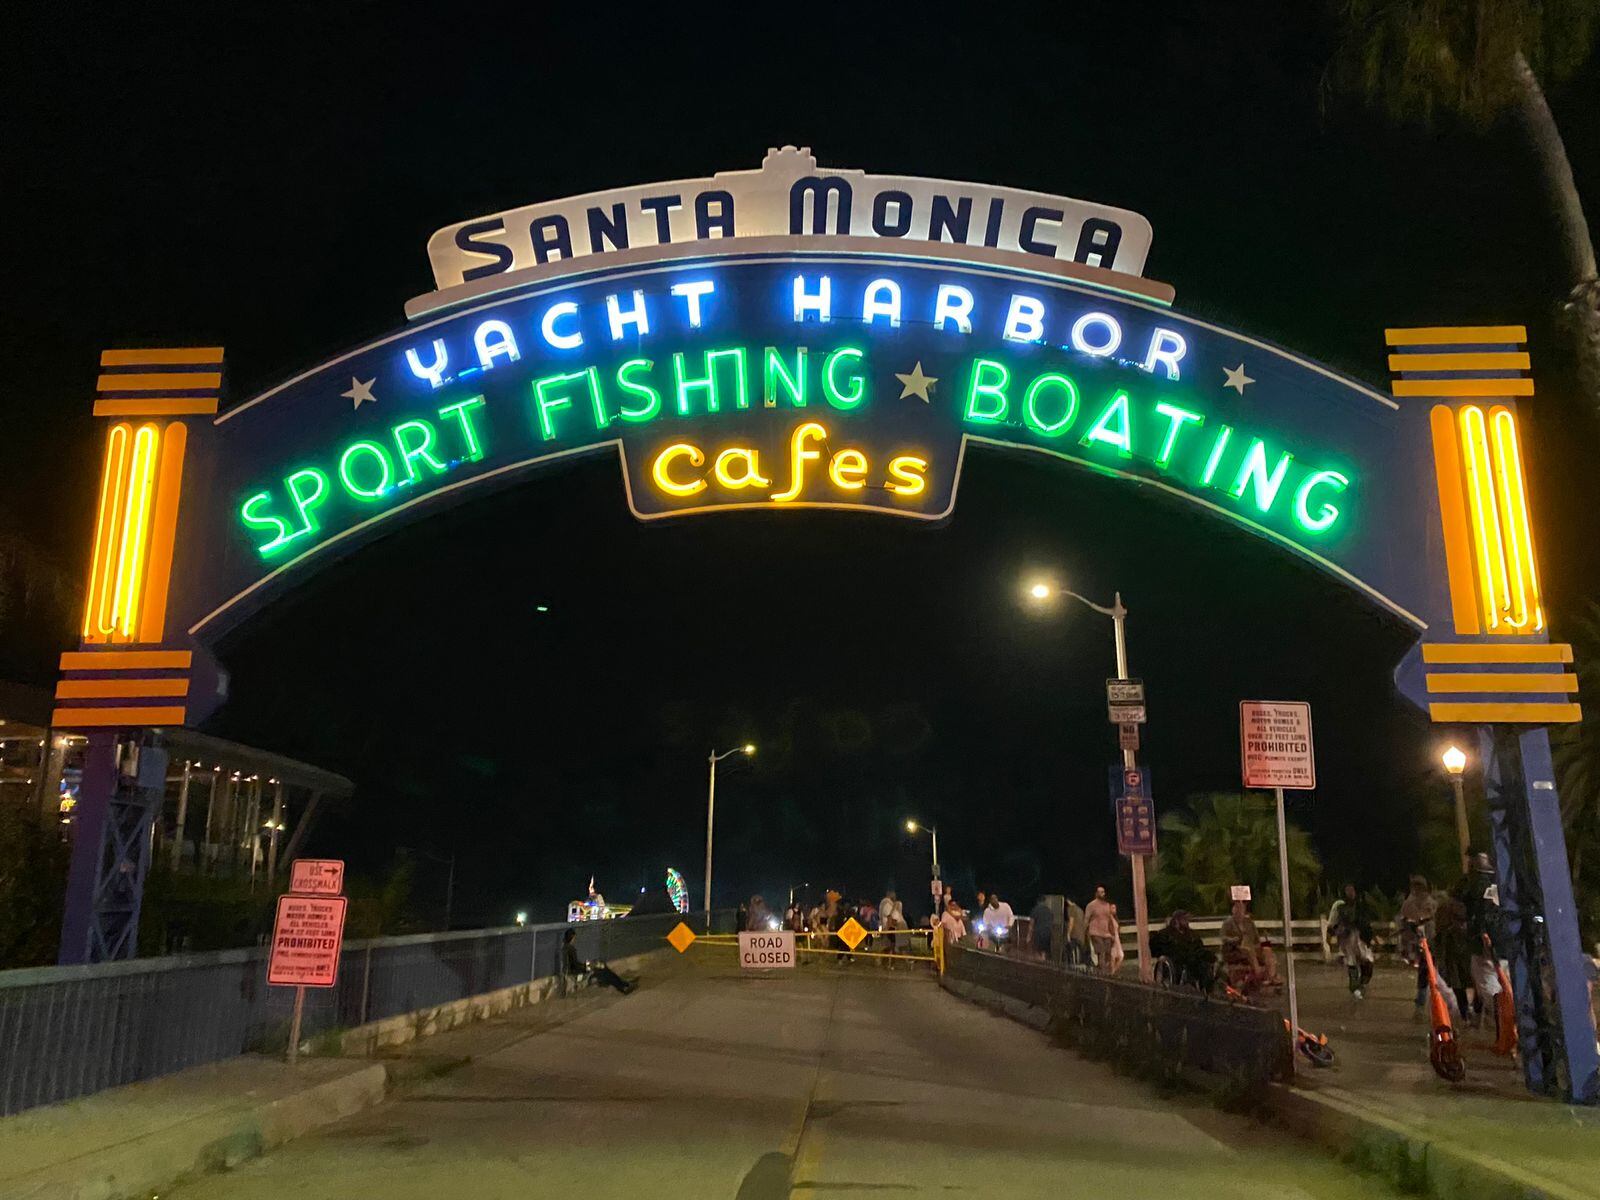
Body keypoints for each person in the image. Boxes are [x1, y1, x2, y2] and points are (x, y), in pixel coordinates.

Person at [1328, 883, 1375, 999]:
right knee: (1352, 963)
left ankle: (1362, 985)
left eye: (1352, 890)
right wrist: (1331, 935)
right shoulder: (1339, 907)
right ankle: (1355, 989)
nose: (1350, 893)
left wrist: (1371, 936)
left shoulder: (1362, 907)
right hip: (1347, 940)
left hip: (1362, 939)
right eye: (1347, 890)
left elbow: (1366, 923)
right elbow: (1332, 924)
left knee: (1368, 963)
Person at [1221, 898, 1280, 988]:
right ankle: (1258, 973)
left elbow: (1256, 938)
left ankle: (1271, 976)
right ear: (1233, 911)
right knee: (1249, 950)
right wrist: (1233, 939)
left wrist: (1262, 944)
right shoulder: (1228, 923)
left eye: (1241, 909)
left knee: (1267, 947)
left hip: (1252, 945)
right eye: (1237, 909)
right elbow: (1223, 938)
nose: (1240, 912)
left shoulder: (1249, 922)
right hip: (1237, 947)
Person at [1150, 910, 1214, 991]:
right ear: (1177, 920)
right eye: (1184, 920)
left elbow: (1199, 946)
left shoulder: (1192, 934)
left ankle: (1206, 988)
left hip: (1193, 957)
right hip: (1177, 958)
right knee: (1193, 961)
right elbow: (1163, 949)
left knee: (1205, 962)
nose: (1187, 922)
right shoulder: (1166, 934)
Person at [1398, 875, 1437, 1004]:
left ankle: (1428, 995)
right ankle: (1423, 995)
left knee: (1428, 967)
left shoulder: (1429, 901)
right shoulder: (1409, 902)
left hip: (1429, 938)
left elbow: (1431, 916)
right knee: (1424, 967)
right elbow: (1404, 919)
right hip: (1416, 939)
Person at [561, 928, 635, 994]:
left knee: (603, 968)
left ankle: (623, 984)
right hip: (578, 973)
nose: (575, 940)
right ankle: (622, 986)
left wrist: (588, 965)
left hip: (577, 970)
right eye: (574, 938)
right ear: (572, 937)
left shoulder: (565, 948)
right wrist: (588, 966)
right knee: (604, 970)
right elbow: (575, 966)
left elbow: (573, 964)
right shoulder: (571, 949)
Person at [1085, 885, 1117, 972]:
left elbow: (1110, 920)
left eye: (1102, 892)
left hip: (1106, 933)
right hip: (1095, 932)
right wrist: (1085, 932)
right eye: (1099, 892)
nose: (1101, 894)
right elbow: (1086, 919)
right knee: (1101, 951)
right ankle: (1103, 974)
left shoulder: (1107, 905)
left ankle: (1103, 970)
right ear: (1096, 893)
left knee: (1108, 953)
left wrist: (1113, 933)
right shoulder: (1091, 905)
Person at [1029, 895, 1054, 961]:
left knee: (1037, 949)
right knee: (1045, 950)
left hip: (1038, 932)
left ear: (1038, 902)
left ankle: (1039, 963)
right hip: (1048, 932)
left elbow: (1031, 924)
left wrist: (1029, 936)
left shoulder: (1035, 909)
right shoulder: (1049, 910)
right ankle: (1044, 961)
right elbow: (1051, 922)